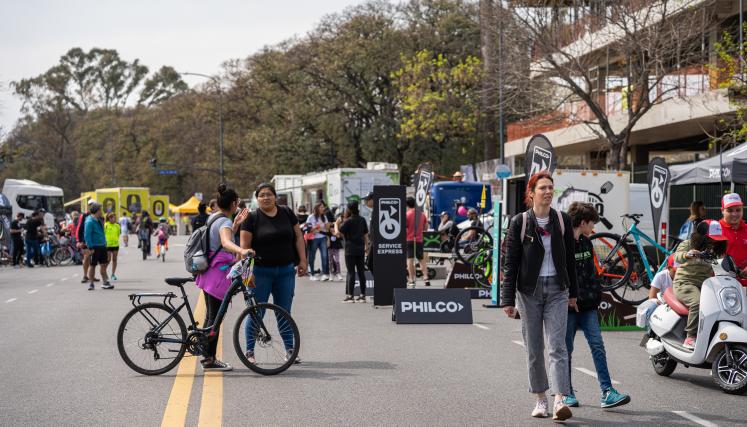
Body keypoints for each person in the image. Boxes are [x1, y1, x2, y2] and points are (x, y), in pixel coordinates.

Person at [501, 171, 577, 421]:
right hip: (528, 293)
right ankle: (540, 399)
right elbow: (510, 262)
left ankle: (559, 401)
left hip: (557, 290)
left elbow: (570, 262)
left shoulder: (562, 220)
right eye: (542, 188)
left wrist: (573, 294)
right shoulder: (520, 222)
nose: (548, 192)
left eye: (550, 187)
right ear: (531, 193)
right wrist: (508, 299)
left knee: (558, 346)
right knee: (534, 349)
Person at [564, 202, 631, 409]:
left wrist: (595, 295)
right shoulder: (562, 243)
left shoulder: (586, 242)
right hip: (567, 308)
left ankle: (607, 391)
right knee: (565, 350)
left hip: (588, 306)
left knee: (598, 346)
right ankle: (566, 393)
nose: (593, 227)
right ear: (583, 222)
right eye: (591, 223)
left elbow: (592, 272)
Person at [240, 183, 308, 364]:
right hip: (260, 273)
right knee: (256, 312)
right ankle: (249, 351)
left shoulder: (286, 213)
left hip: (285, 271)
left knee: (284, 311)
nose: (266, 198)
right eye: (261, 195)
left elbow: (299, 237)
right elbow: (244, 248)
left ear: (275, 196)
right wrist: (247, 273)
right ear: (257, 198)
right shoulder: (251, 218)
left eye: (269, 194)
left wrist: (303, 260)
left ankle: (290, 350)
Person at [195, 184, 253, 371]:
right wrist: (242, 250)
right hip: (218, 275)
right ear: (234, 203)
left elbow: (222, 236)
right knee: (215, 319)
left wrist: (235, 224)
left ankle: (206, 355)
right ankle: (209, 359)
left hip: (210, 272)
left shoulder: (215, 217)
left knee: (211, 317)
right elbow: (225, 242)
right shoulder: (224, 222)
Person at [673, 219, 728, 349]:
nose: (714, 242)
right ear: (701, 237)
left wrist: (736, 270)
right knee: (697, 303)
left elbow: (723, 265)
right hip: (684, 283)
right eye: (710, 239)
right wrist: (688, 254)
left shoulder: (714, 251)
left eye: (717, 239)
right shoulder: (688, 244)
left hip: (706, 286)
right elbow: (677, 256)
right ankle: (690, 337)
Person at [335, 201, 369, 302]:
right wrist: (366, 246)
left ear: (349, 209)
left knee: (351, 272)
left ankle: (350, 295)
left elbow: (338, 233)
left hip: (350, 249)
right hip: (360, 249)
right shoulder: (362, 219)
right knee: (361, 272)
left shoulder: (348, 221)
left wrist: (336, 224)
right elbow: (366, 234)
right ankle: (363, 295)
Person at [718, 193, 747, 286]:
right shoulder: (715, 229)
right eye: (730, 210)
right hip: (723, 283)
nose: (734, 214)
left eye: (738, 210)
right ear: (722, 211)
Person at [84, 203, 112, 290]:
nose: (101, 211)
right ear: (96, 210)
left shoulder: (99, 219)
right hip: (94, 246)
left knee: (103, 264)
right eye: (100, 210)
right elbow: (87, 235)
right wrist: (90, 247)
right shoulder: (89, 221)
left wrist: (105, 243)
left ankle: (105, 282)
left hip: (102, 245)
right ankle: (91, 283)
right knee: (93, 265)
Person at [405, 196, 430, 288]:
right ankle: (426, 278)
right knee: (422, 260)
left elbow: (404, 228)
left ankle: (411, 279)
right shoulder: (422, 214)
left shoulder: (407, 215)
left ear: (407, 205)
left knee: (410, 260)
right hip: (419, 239)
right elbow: (426, 227)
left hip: (409, 240)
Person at [305, 202, 330, 281]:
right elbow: (308, 228)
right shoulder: (311, 217)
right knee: (312, 256)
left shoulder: (324, 217)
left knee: (324, 256)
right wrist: (315, 228)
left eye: (323, 207)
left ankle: (324, 274)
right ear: (317, 208)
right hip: (313, 238)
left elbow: (327, 229)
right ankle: (312, 274)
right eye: (321, 207)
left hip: (322, 238)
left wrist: (327, 238)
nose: (323, 209)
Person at [104, 212, 121, 280]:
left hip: (115, 245)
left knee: (114, 259)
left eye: (115, 217)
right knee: (108, 260)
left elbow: (118, 234)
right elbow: (103, 234)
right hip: (108, 245)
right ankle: (104, 272)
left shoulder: (117, 225)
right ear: (109, 218)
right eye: (113, 218)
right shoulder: (106, 225)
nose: (114, 219)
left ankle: (113, 274)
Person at [328, 207, 343, 281]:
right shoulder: (328, 226)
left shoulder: (337, 226)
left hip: (336, 245)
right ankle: (331, 274)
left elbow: (339, 235)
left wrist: (336, 230)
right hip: (330, 245)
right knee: (330, 260)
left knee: (337, 260)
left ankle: (338, 273)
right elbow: (327, 233)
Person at [362, 192, 375, 272]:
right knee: (369, 263)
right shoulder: (374, 210)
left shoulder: (377, 211)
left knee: (369, 263)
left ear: (373, 200)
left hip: (375, 243)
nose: (365, 202)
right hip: (372, 241)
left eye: (367, 200)